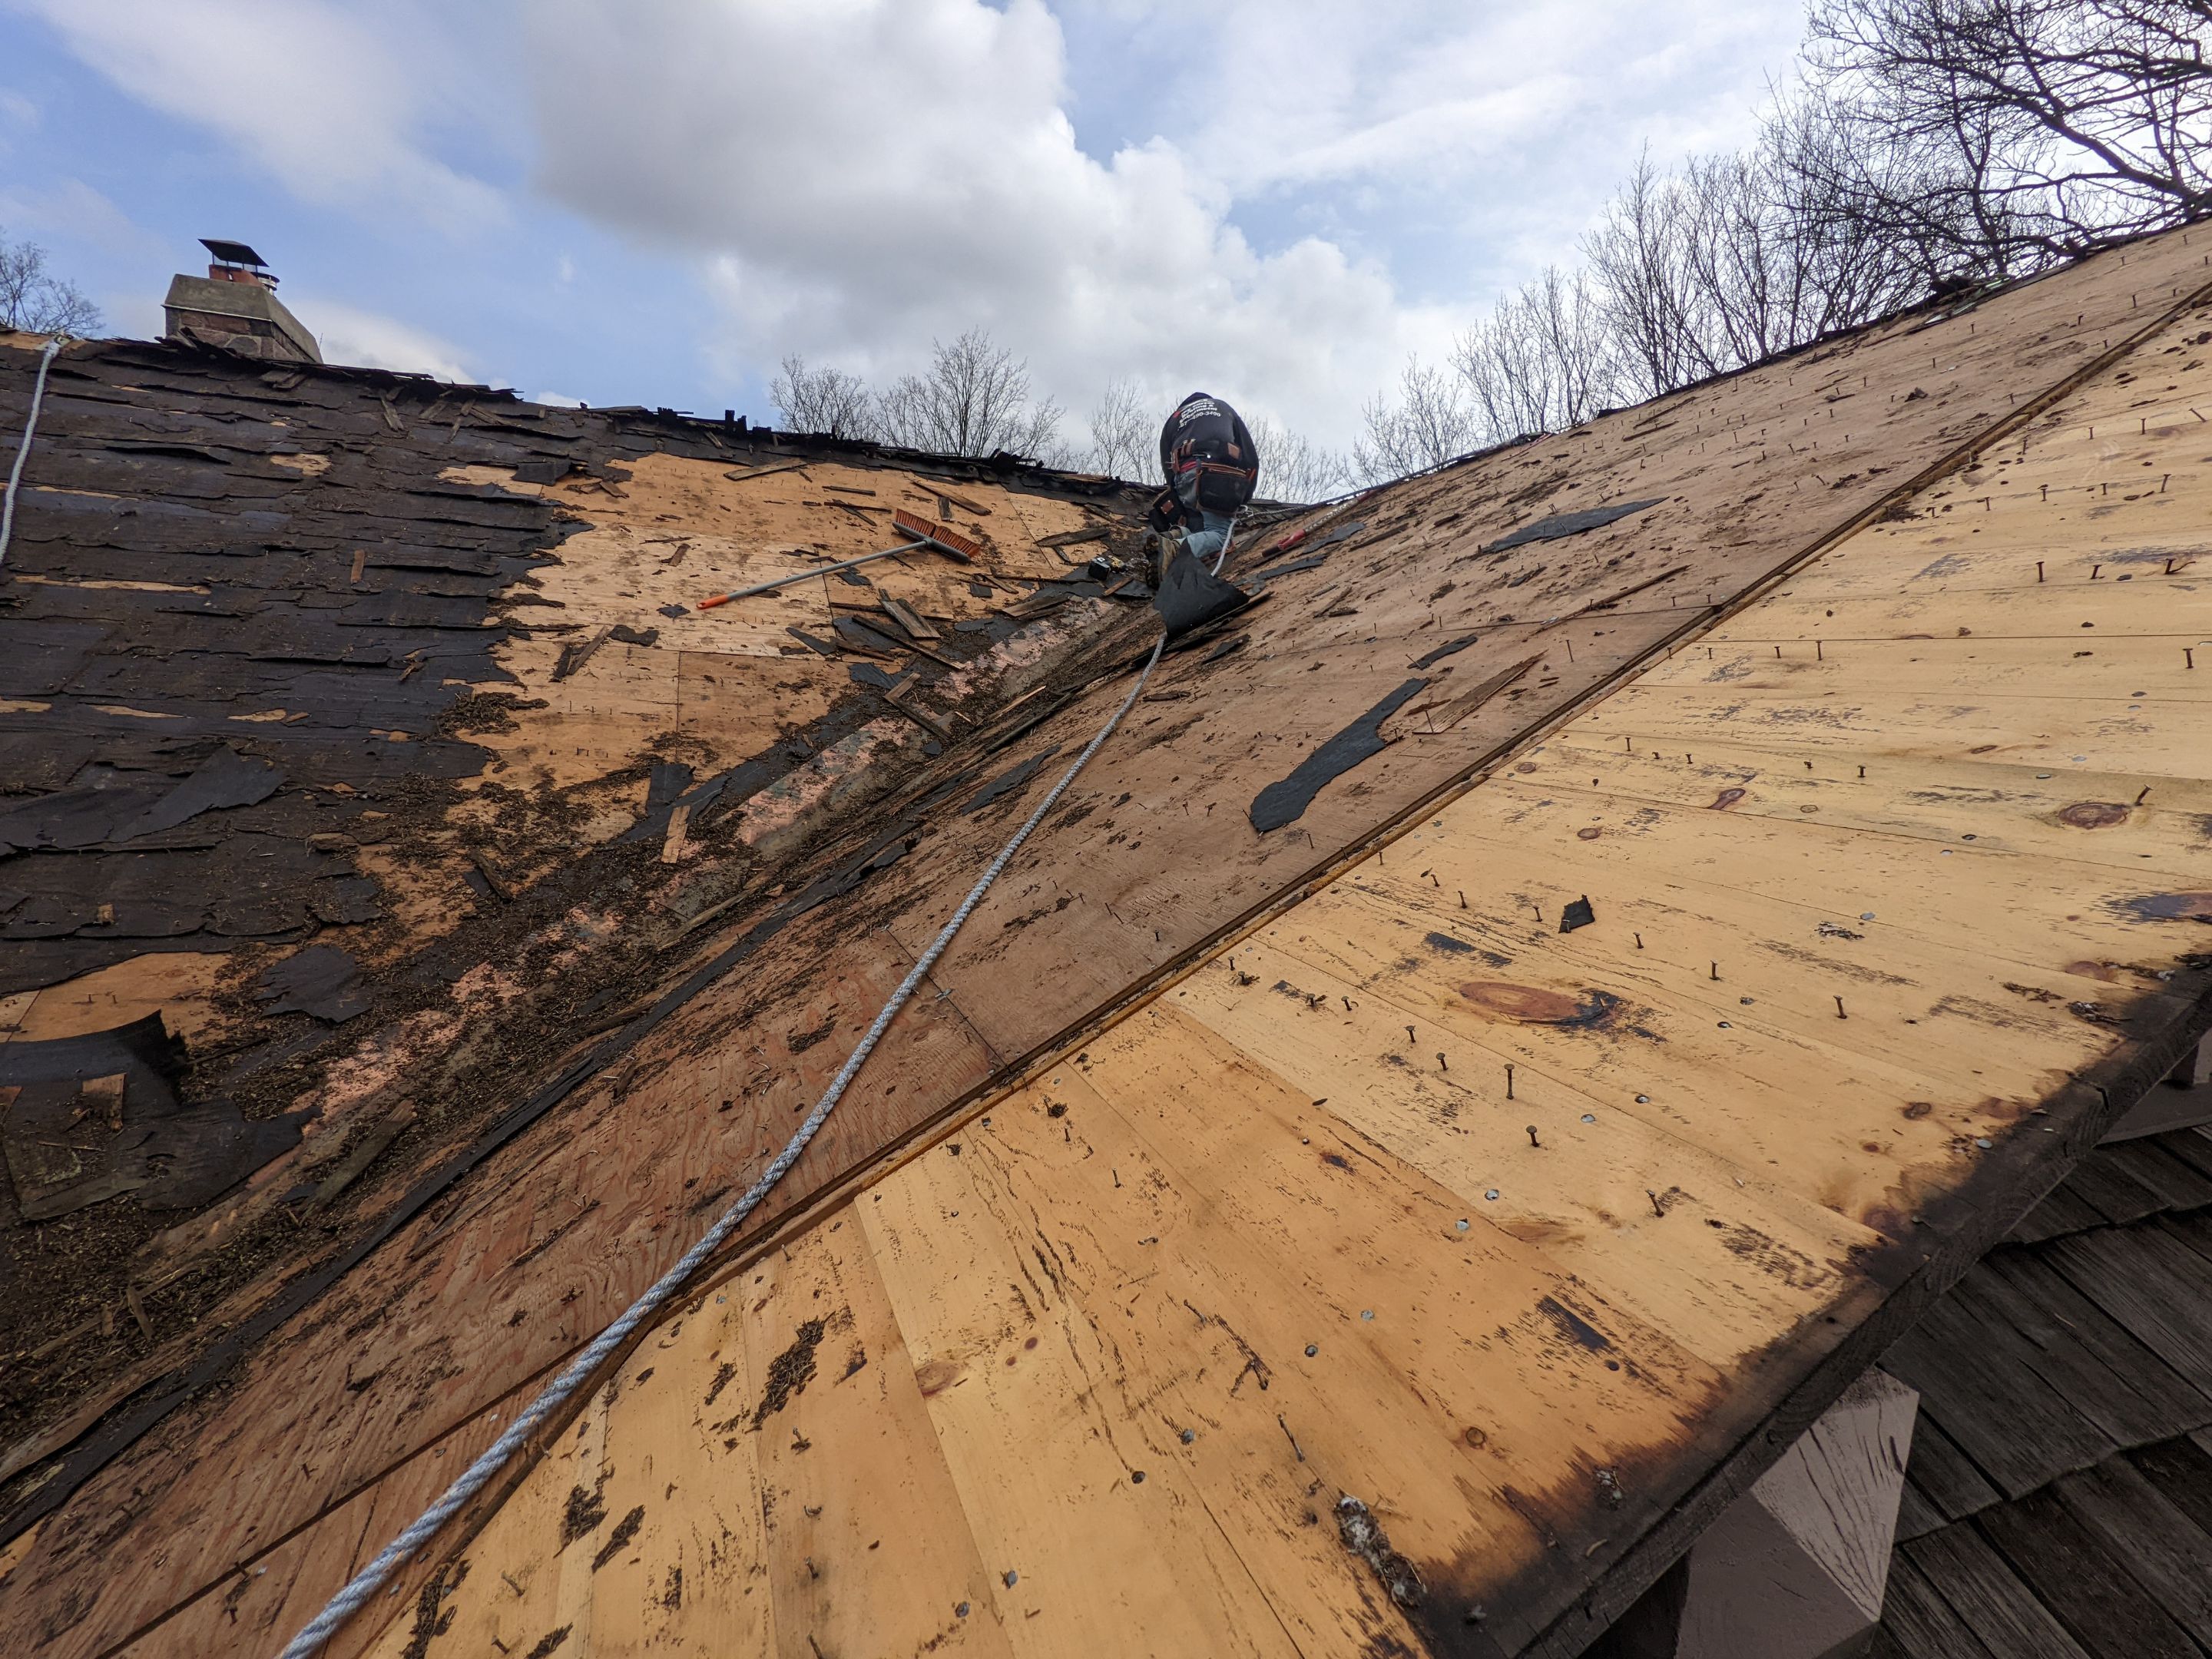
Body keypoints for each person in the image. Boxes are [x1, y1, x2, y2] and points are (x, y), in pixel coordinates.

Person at [1147, 392, 1260, 580]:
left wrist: (1178, 495)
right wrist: (1243, 495)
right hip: (1217, 474)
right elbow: (1250, 458)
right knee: (1220, 537)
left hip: (1184, 475)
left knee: (1199, 529)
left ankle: (1175, 537)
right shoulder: (1223, 407)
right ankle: (1173, 550)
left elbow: (1167, 466)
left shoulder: (1174, 419)